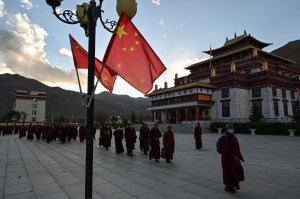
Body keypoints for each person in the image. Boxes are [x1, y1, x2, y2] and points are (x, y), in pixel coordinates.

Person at [220, 124, 245, 193]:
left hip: (234, 158)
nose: (232, 129)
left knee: (235, 171)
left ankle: (233, 185)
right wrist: (234, 157)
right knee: (228, 172)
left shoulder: (232, 135)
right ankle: (228, 186)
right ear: (227, 129)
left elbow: (236, 147)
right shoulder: (224, 137)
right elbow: (226, 150)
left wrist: (239, 157)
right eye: (230, 128)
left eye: (232, 128)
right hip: (227, 159)